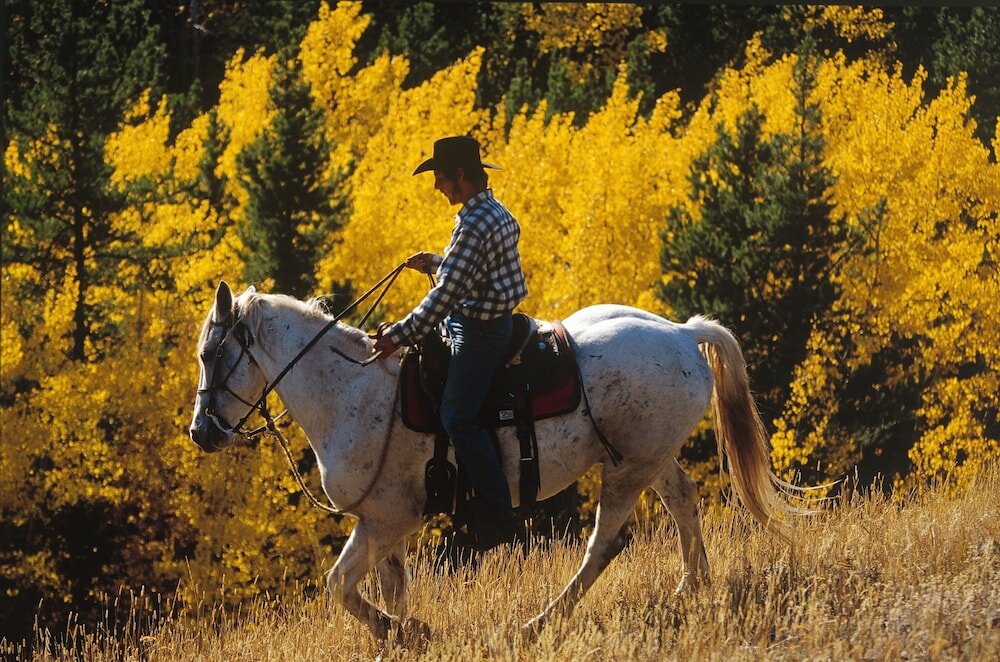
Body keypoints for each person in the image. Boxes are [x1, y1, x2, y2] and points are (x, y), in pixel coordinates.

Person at [373, 135, 527, 550]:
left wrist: (398, 335)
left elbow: (444, 297)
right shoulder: (494, 211)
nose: (437, 187)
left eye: (440, 178)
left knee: (457, 415)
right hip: (487, 319)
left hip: (480, 331)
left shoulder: (473, 225)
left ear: (461, 176)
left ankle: (500, 518)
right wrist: (439, 263)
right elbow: (473, 273)